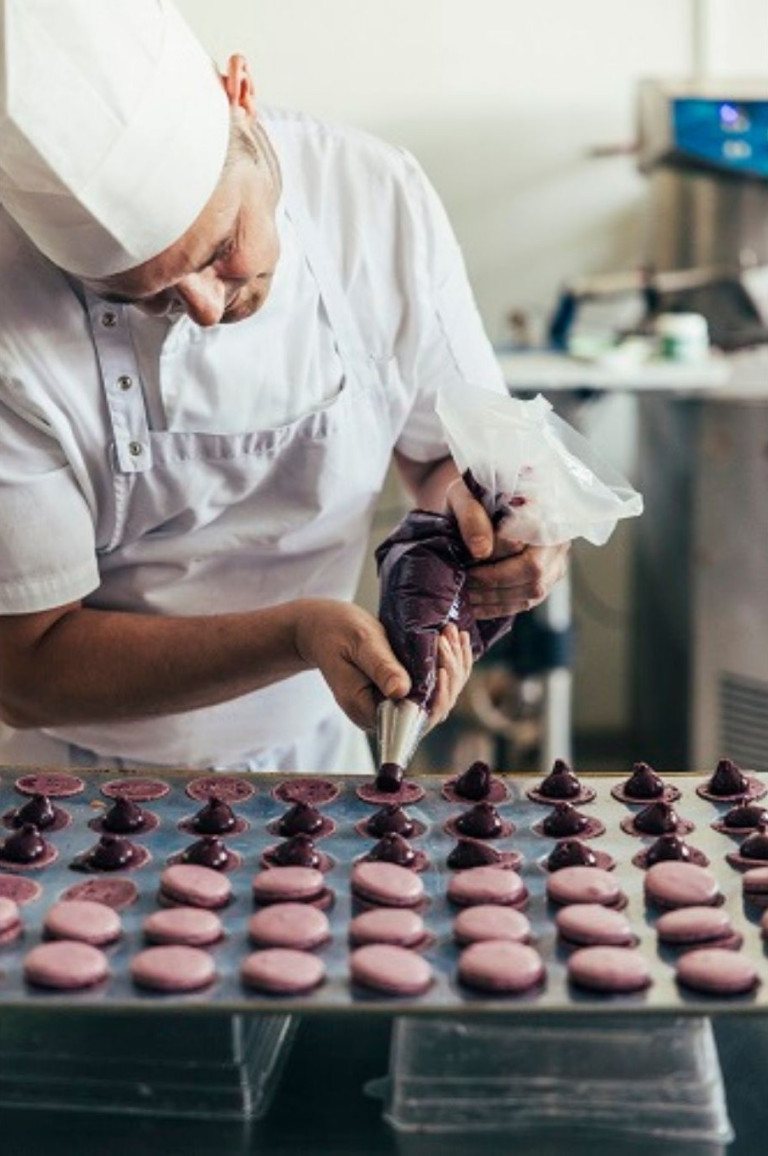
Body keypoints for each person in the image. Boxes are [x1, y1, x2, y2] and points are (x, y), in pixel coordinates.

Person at [0, 0, 568, 774]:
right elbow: (27, 670)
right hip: (74, 769)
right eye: (141, 295)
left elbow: (449, 463)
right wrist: (299, 634)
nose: (206, 308)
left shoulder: (376, 202)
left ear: (241, 96)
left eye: (223, 246)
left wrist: (488, 540)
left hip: (323, 750)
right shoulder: (9, 317)